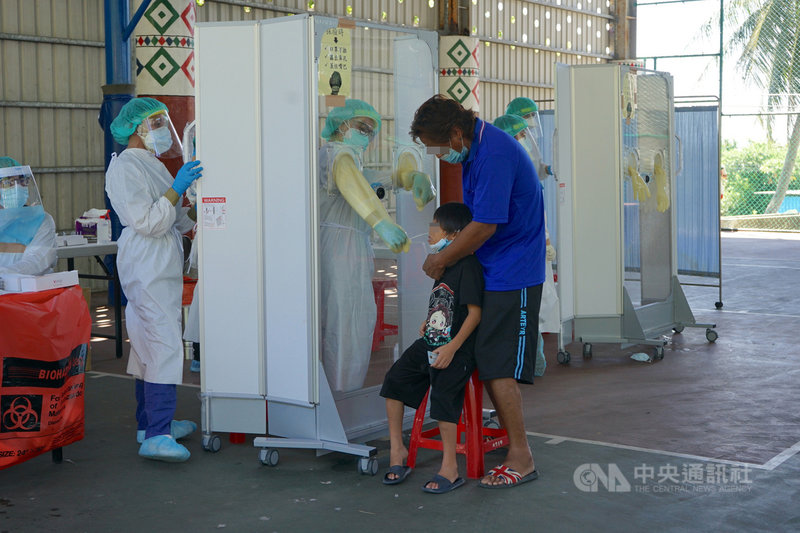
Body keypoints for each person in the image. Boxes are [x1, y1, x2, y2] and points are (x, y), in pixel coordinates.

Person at [411, 95, 545, 489]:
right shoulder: (476, 150)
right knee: (486, 358)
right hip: (491, 265)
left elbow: (485, 225)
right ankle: (511, 445)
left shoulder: (494, 153)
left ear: (455, 132)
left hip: (514, 270)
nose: (438, 155)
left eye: (437, 146)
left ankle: (522, 457)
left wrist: (442, 259)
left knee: (498, 364)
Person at [106, 97, 202, 462]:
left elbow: (173, 215)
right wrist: (177, 190)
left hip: (159, 259)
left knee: (149, 342)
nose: (163, 130)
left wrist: (195, 218)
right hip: (147, 260)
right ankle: (158, 435)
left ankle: (151, 424)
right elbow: (148, 221)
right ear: (136, 129)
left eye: (164, 123)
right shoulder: (126, 166)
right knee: (162, 342)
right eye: (156, 123)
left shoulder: (152, 163)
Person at [319, 98, 434, 392]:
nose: (367, 135)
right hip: (337, 249)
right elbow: (353, 185)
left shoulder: (351, 159)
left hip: (349, 249)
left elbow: (374, 181)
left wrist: (411, 176)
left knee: (353, 320)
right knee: (343, 322)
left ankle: (341, 389)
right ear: (340, 126)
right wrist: (381, 222)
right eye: (361, 127)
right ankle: (339, 392)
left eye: (371, 131)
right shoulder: (336, 155)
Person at [380, 202, 482, 494]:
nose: (430, 232)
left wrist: (451, 347)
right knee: (394, 380)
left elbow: (474, 314)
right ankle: (397, 451)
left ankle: (449, 467)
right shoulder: (442, 265)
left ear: (455, 233)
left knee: (443, 392)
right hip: (432, 341)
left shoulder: (469, 267)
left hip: (457, 348)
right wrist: (428, 323)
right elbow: (442, 305)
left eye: (435, 226)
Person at [492, 114, 560, 377]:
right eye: (520, 134)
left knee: (532, 309)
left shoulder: (524, 169)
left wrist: (546, 241)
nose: (526, 140)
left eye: (526, 133)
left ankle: (531, 361)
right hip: (518, 254)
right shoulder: (504, 170)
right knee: (524, 311)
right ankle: (527, 362)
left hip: (529, 251)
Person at [0, 157, 57, 276]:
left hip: (28, 291)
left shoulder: (40, 221)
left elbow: (37, 262)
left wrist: (3, 274)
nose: (18, 187)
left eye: (22, 181)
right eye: (8, 182)